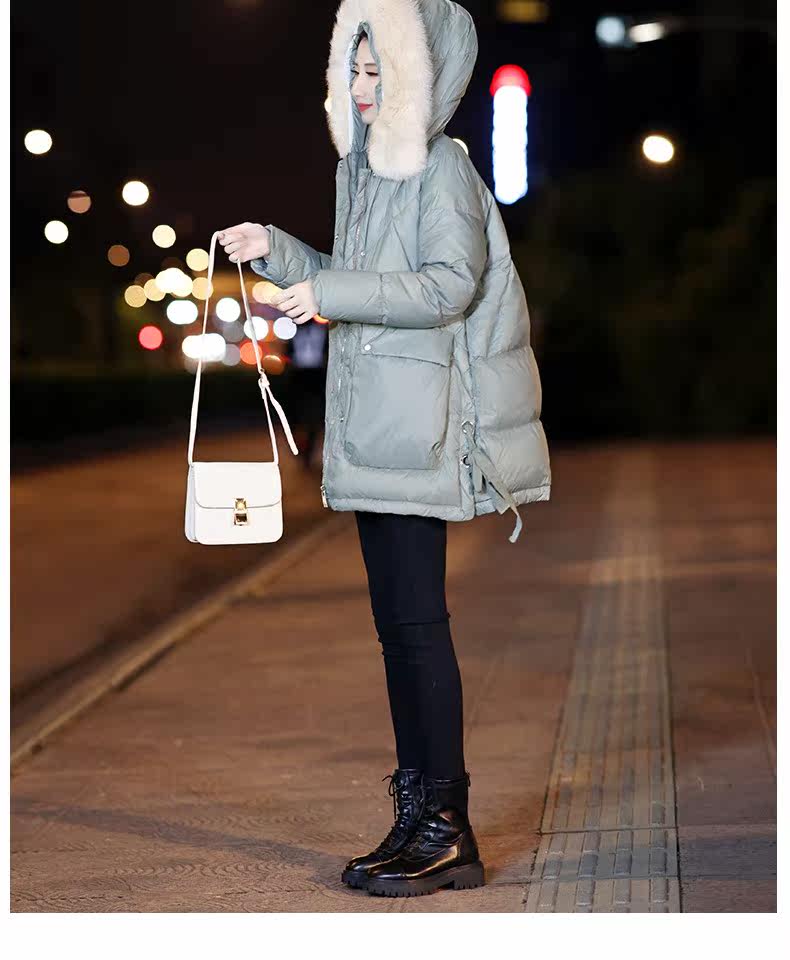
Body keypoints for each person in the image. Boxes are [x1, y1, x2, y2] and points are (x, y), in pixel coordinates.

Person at [217, 0, 551, 899]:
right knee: (401, 633)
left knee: (416, 629)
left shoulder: (440, 166)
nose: (363, 88)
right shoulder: (367, 171)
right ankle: (422, 819)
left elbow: (447, 286)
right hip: (381, 428)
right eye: (354, 70)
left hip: (419, 425)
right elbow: (367, 280)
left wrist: (326, 292)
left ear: (422, 76)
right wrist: (282, 252)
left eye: (379, 71)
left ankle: (445, 828)